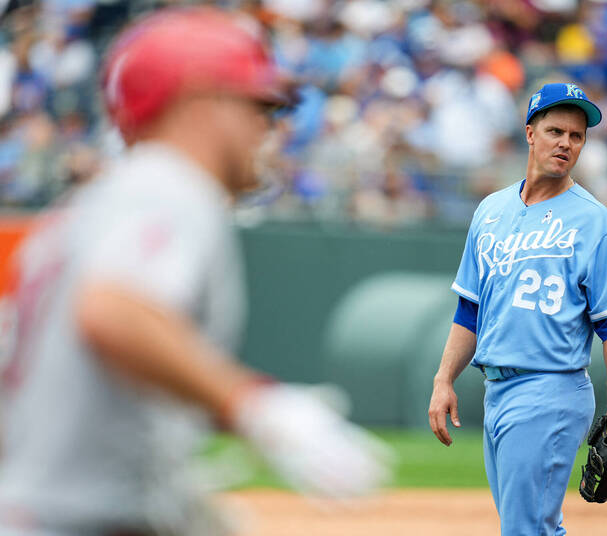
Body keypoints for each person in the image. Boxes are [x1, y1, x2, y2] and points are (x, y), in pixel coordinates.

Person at [0, 7, 389, 536]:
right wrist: (255, 405)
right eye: (258, 105)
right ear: (199, 101)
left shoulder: (95, 205)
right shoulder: (169, 185)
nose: (271, 127)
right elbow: (113, 310)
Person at [428, 82, 607, 536]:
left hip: (552, 391)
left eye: (577, 136)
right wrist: (444, 379)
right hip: (497, 391)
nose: (566, 143)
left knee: (526, 530)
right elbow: (470, 309)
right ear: (530, 132)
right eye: (555, 130)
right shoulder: (490, 210)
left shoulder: (594, 221)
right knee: (530, 528)